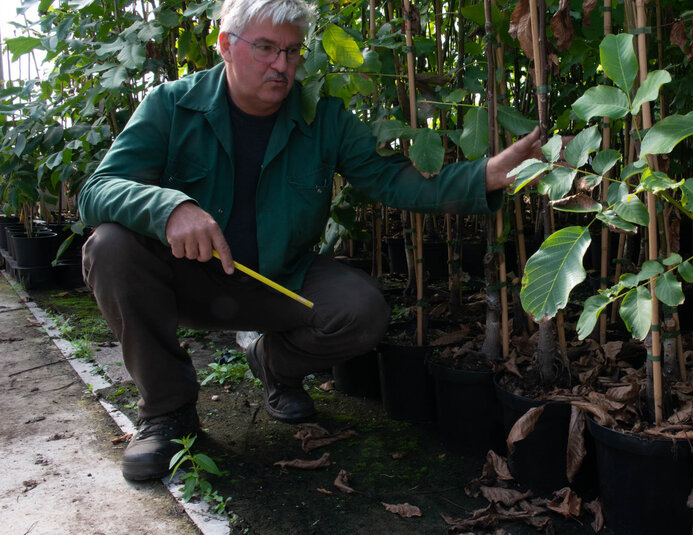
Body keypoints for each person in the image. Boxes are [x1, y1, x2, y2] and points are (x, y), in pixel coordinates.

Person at [78, 0, 541, 481]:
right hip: (185, 280)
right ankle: (167, 413)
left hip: (277, 280)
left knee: (362, 312)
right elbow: (96, 191)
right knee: (110, 245)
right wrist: (169, 207)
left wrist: (483, 177)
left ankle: (273, 364)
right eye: (265, 48)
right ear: (226, 47)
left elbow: (391, 179)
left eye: (292, 51)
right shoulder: (172, 105)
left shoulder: (324, 116)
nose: (281, 65)